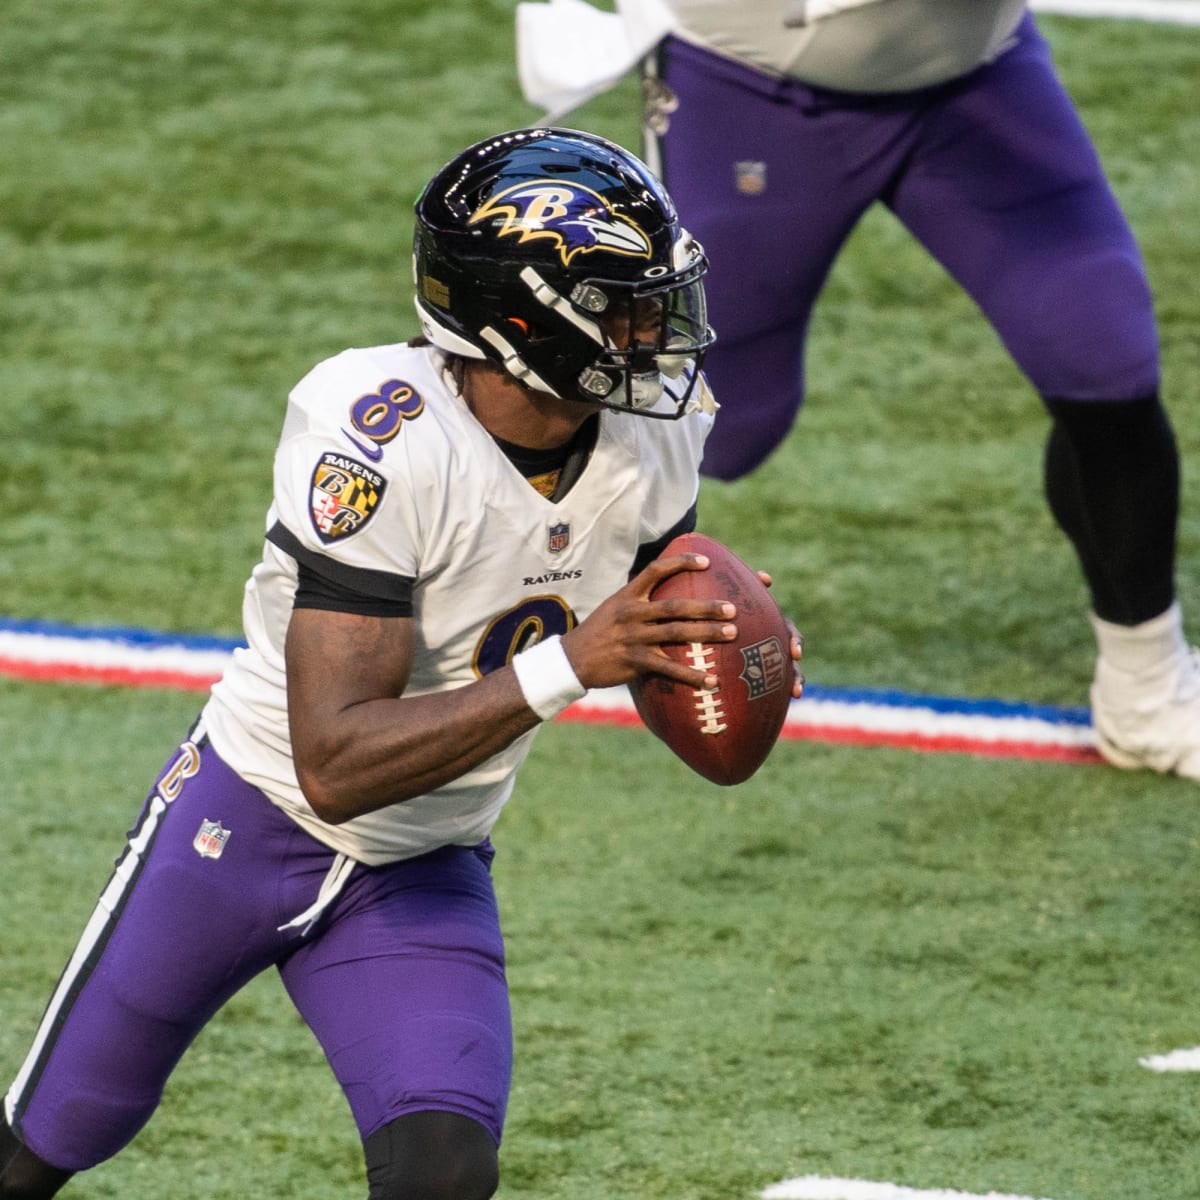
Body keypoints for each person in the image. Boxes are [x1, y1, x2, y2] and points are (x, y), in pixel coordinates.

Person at [0, 127, 802, 1200]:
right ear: (523, 320)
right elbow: (336, 759)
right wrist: (573, 662)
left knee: (443, 1172)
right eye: (621, 303)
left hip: (423, 864)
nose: (653, 329)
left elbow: (654, 640)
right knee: (38, 1148)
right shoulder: (378, 436)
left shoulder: (651, 437)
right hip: (244, 827)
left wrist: (723, 642)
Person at [517, 0, 1200, 780]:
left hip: (976, 79)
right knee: (718, 421)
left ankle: (1145, 688)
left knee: (1102, 354)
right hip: (753, 86)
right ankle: (495, 588)